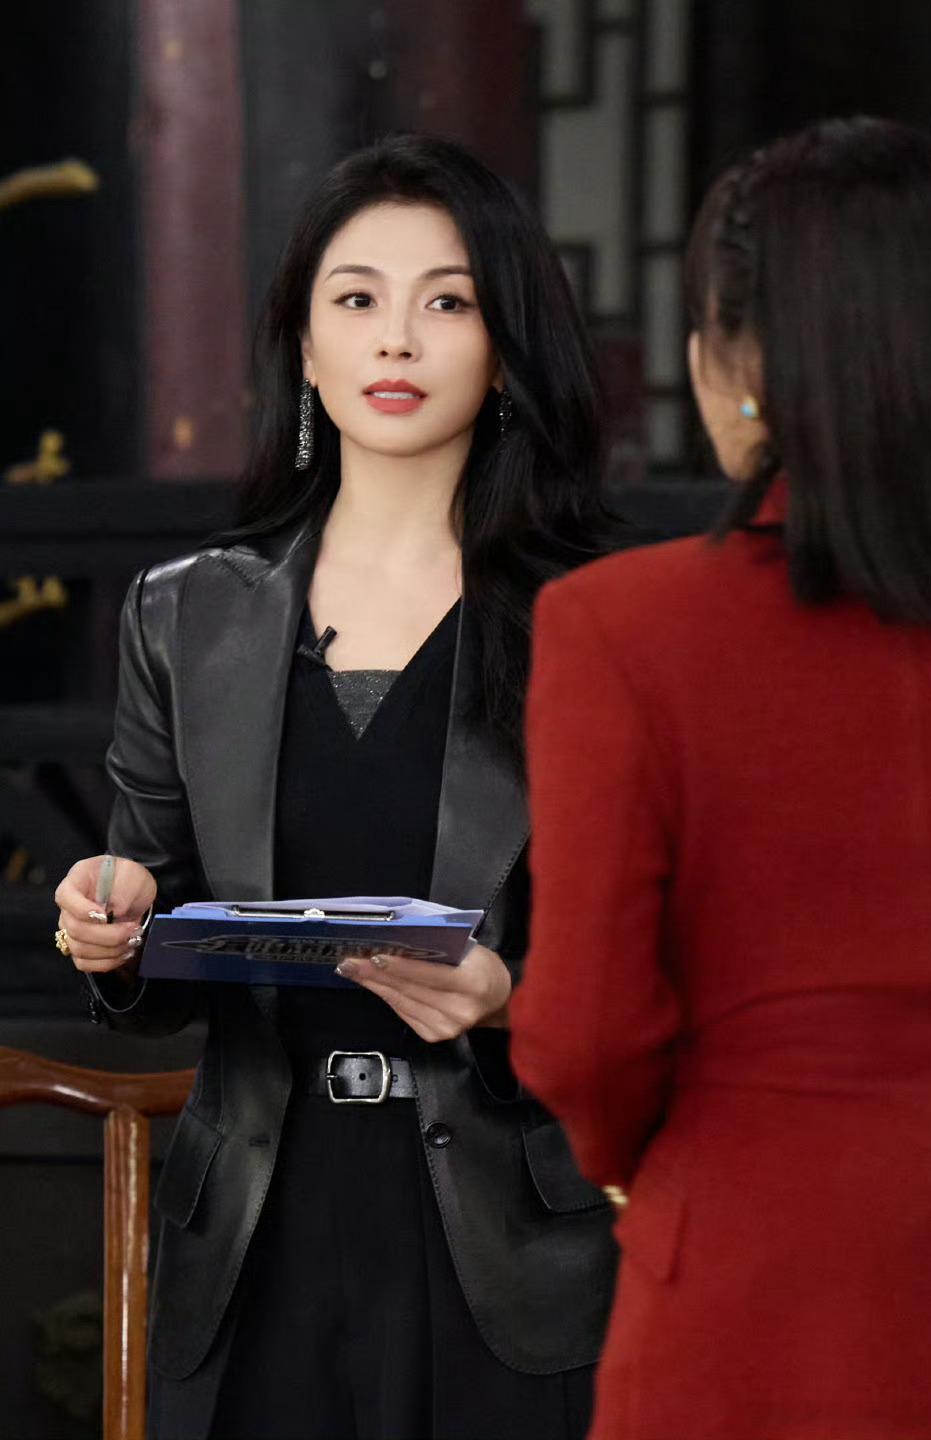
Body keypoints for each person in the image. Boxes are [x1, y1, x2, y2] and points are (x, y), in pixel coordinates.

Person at [53, 133, 620, 1440]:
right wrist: (113, 927)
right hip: (257, 1241)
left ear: (505, 346)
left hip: (504, 1241)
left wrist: (512, 999)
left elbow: (667, 955)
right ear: (305, 347)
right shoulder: (184, 616)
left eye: (448, 302)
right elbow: (154, 941)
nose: (397, 339)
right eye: (357, 299)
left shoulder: (597, 621)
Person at [511, 116, 931, 1440]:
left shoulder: (625, 629)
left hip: (747, 1286)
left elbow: (584, 1031)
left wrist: (661, 1170)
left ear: (739, 364)